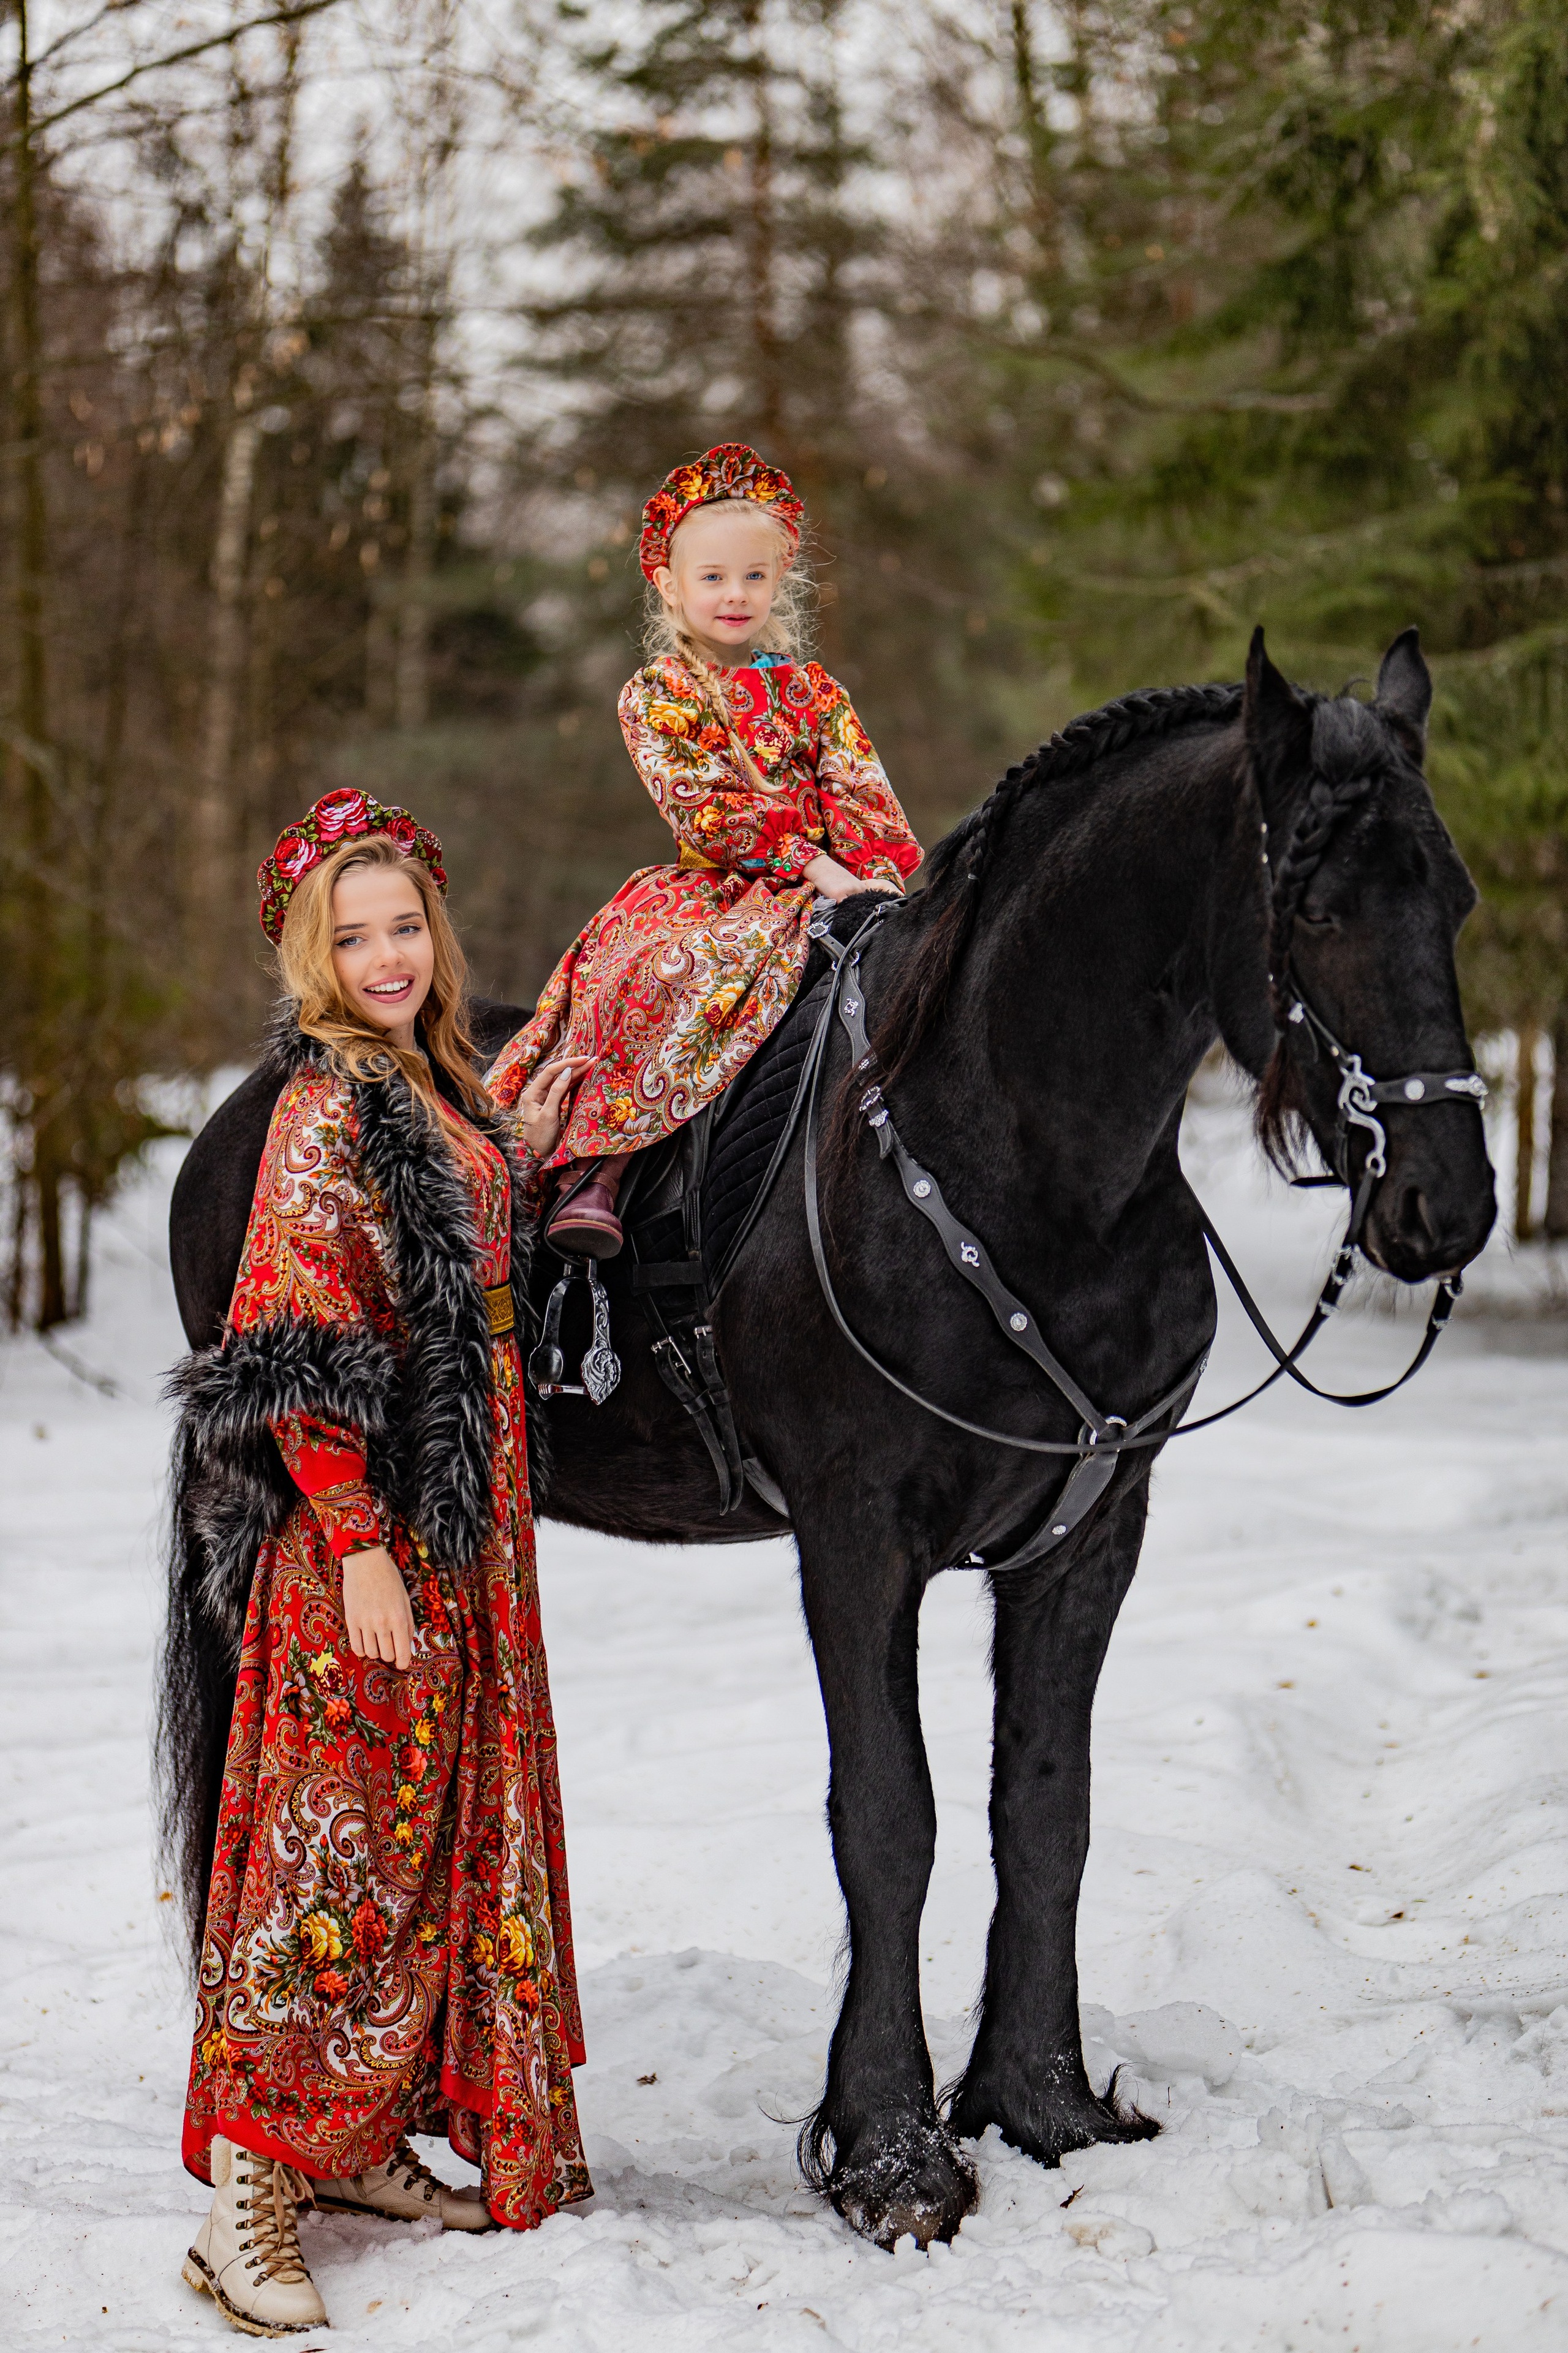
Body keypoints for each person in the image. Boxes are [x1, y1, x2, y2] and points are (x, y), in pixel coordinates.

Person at [163, 790, 589, 2337]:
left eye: (404, 924)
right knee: (324, 1839)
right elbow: (295, 1326)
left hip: (461, 1531)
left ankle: (360, 2144)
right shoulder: (324, 1103)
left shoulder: (440, 1087)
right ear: (307, 955)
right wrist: (352, 1540)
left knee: (424, 1835)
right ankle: (250, 2197)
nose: (387, 953)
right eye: (352, 935)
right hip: (371, 1532)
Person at [487, 442, 922, 1257]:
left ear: (780, 580)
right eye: (714, 578)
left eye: (754, 577)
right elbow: (701, 804)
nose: (735, 594)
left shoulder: (817, 693)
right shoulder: (660, 694)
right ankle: (604, 1169)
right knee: (659, 972)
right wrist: (809, 864)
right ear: (671, 586)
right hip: (715, 888)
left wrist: (872, 876)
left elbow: (862, 788)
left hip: (836, 887)